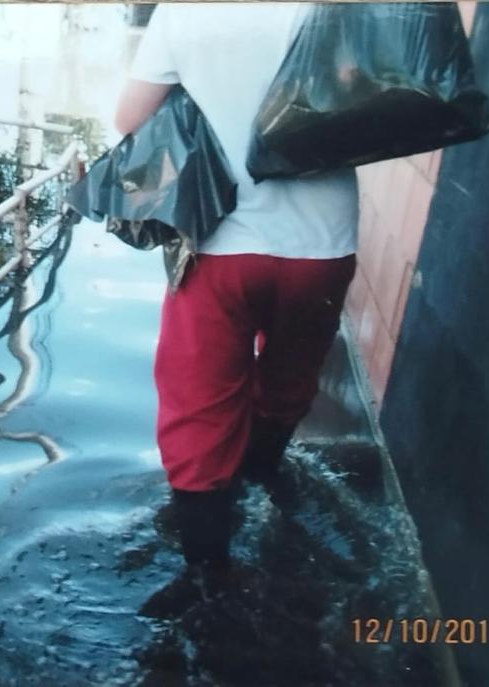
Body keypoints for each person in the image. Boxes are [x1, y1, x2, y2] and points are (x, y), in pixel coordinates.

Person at [115, 3, 359, 600]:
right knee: (289, 380)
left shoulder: (184, 11)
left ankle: (208, 570)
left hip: (221, 240)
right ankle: (261, 481)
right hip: (324, 241)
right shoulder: (332, 6)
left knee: (198, 404)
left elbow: (129, 119)